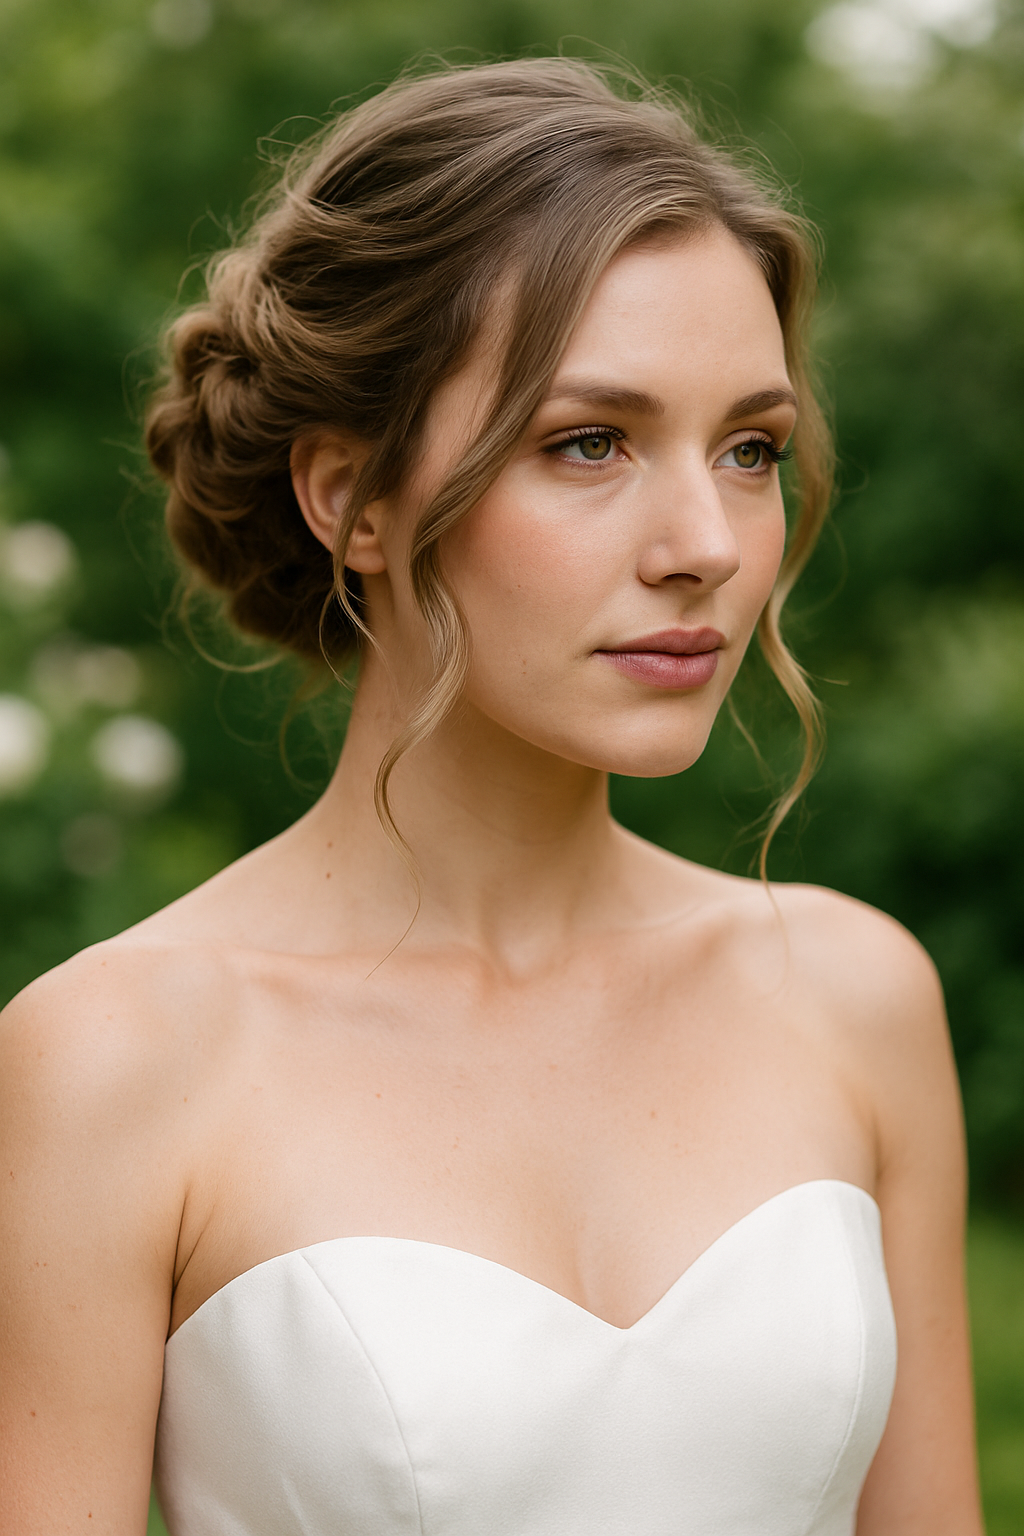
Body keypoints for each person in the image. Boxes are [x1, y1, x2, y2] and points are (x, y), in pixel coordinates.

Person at [0, 57, 983, 1536]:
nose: (706, 542)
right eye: (588, 441)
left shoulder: (852, 995)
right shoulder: (115, 1061)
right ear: (353, 496)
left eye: (751, 450)